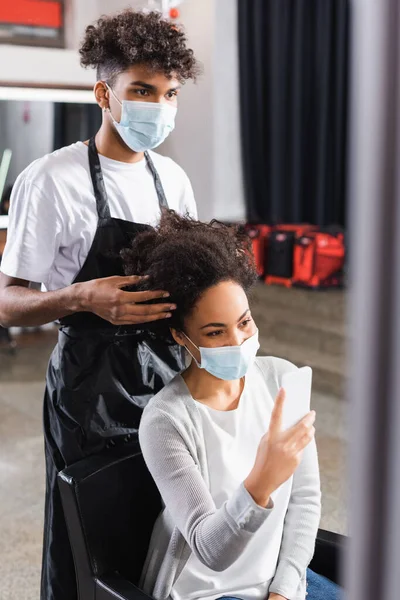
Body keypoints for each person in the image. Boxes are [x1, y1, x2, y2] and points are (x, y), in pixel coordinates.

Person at [0, 10, 199, 600]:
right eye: (142, 90)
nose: (158, 108)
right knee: (84, 534)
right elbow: (8, 304)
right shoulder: (51, 179)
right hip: (90, 391)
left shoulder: (175, 180)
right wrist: (83, 296)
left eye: (169, 94)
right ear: (103, 93)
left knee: (159, 529)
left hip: (169, 379)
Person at [121, 211, 341, 600]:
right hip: (203, 591)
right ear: (181, 336)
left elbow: (305, 501)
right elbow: (210, 550)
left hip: (274, 582)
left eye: (244, 322)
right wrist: (262, 480)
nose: (237, 341)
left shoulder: (281, 381)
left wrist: (285, 590)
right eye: (215, 332)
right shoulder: (166, 420)